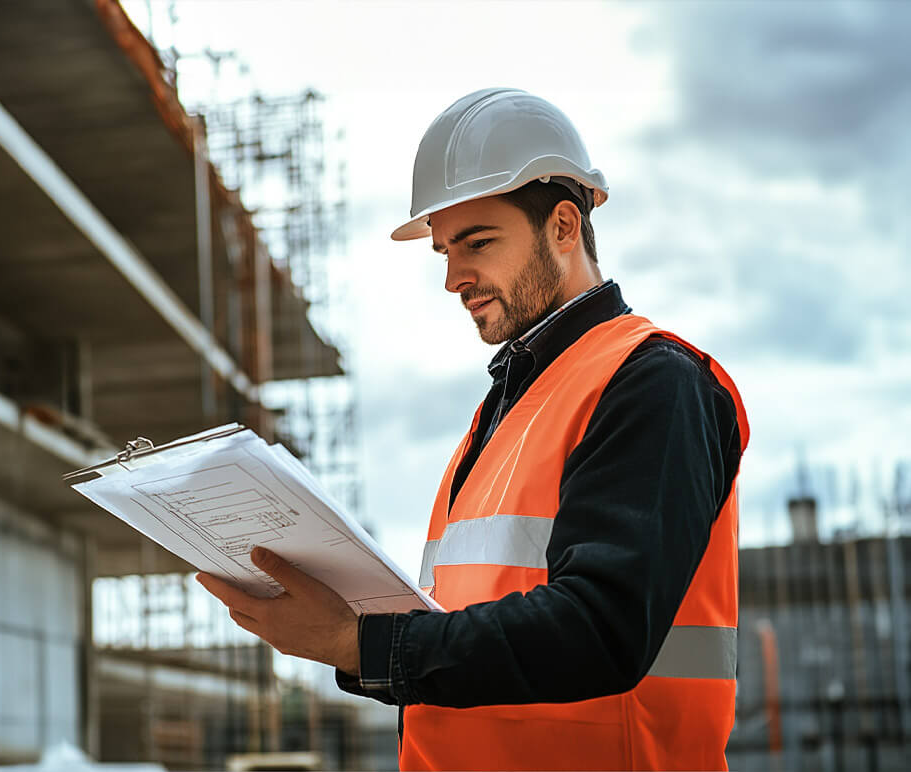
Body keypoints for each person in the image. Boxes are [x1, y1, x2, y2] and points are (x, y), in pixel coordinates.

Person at [197, 87, 749, 771]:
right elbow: (468, 640)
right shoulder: (508, 406)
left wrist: (359, 644)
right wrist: (348, 631)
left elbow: (598, 631)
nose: (455, 277)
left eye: (477, 242)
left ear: (563, 226)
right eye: (443, 252)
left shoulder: (652, 381)